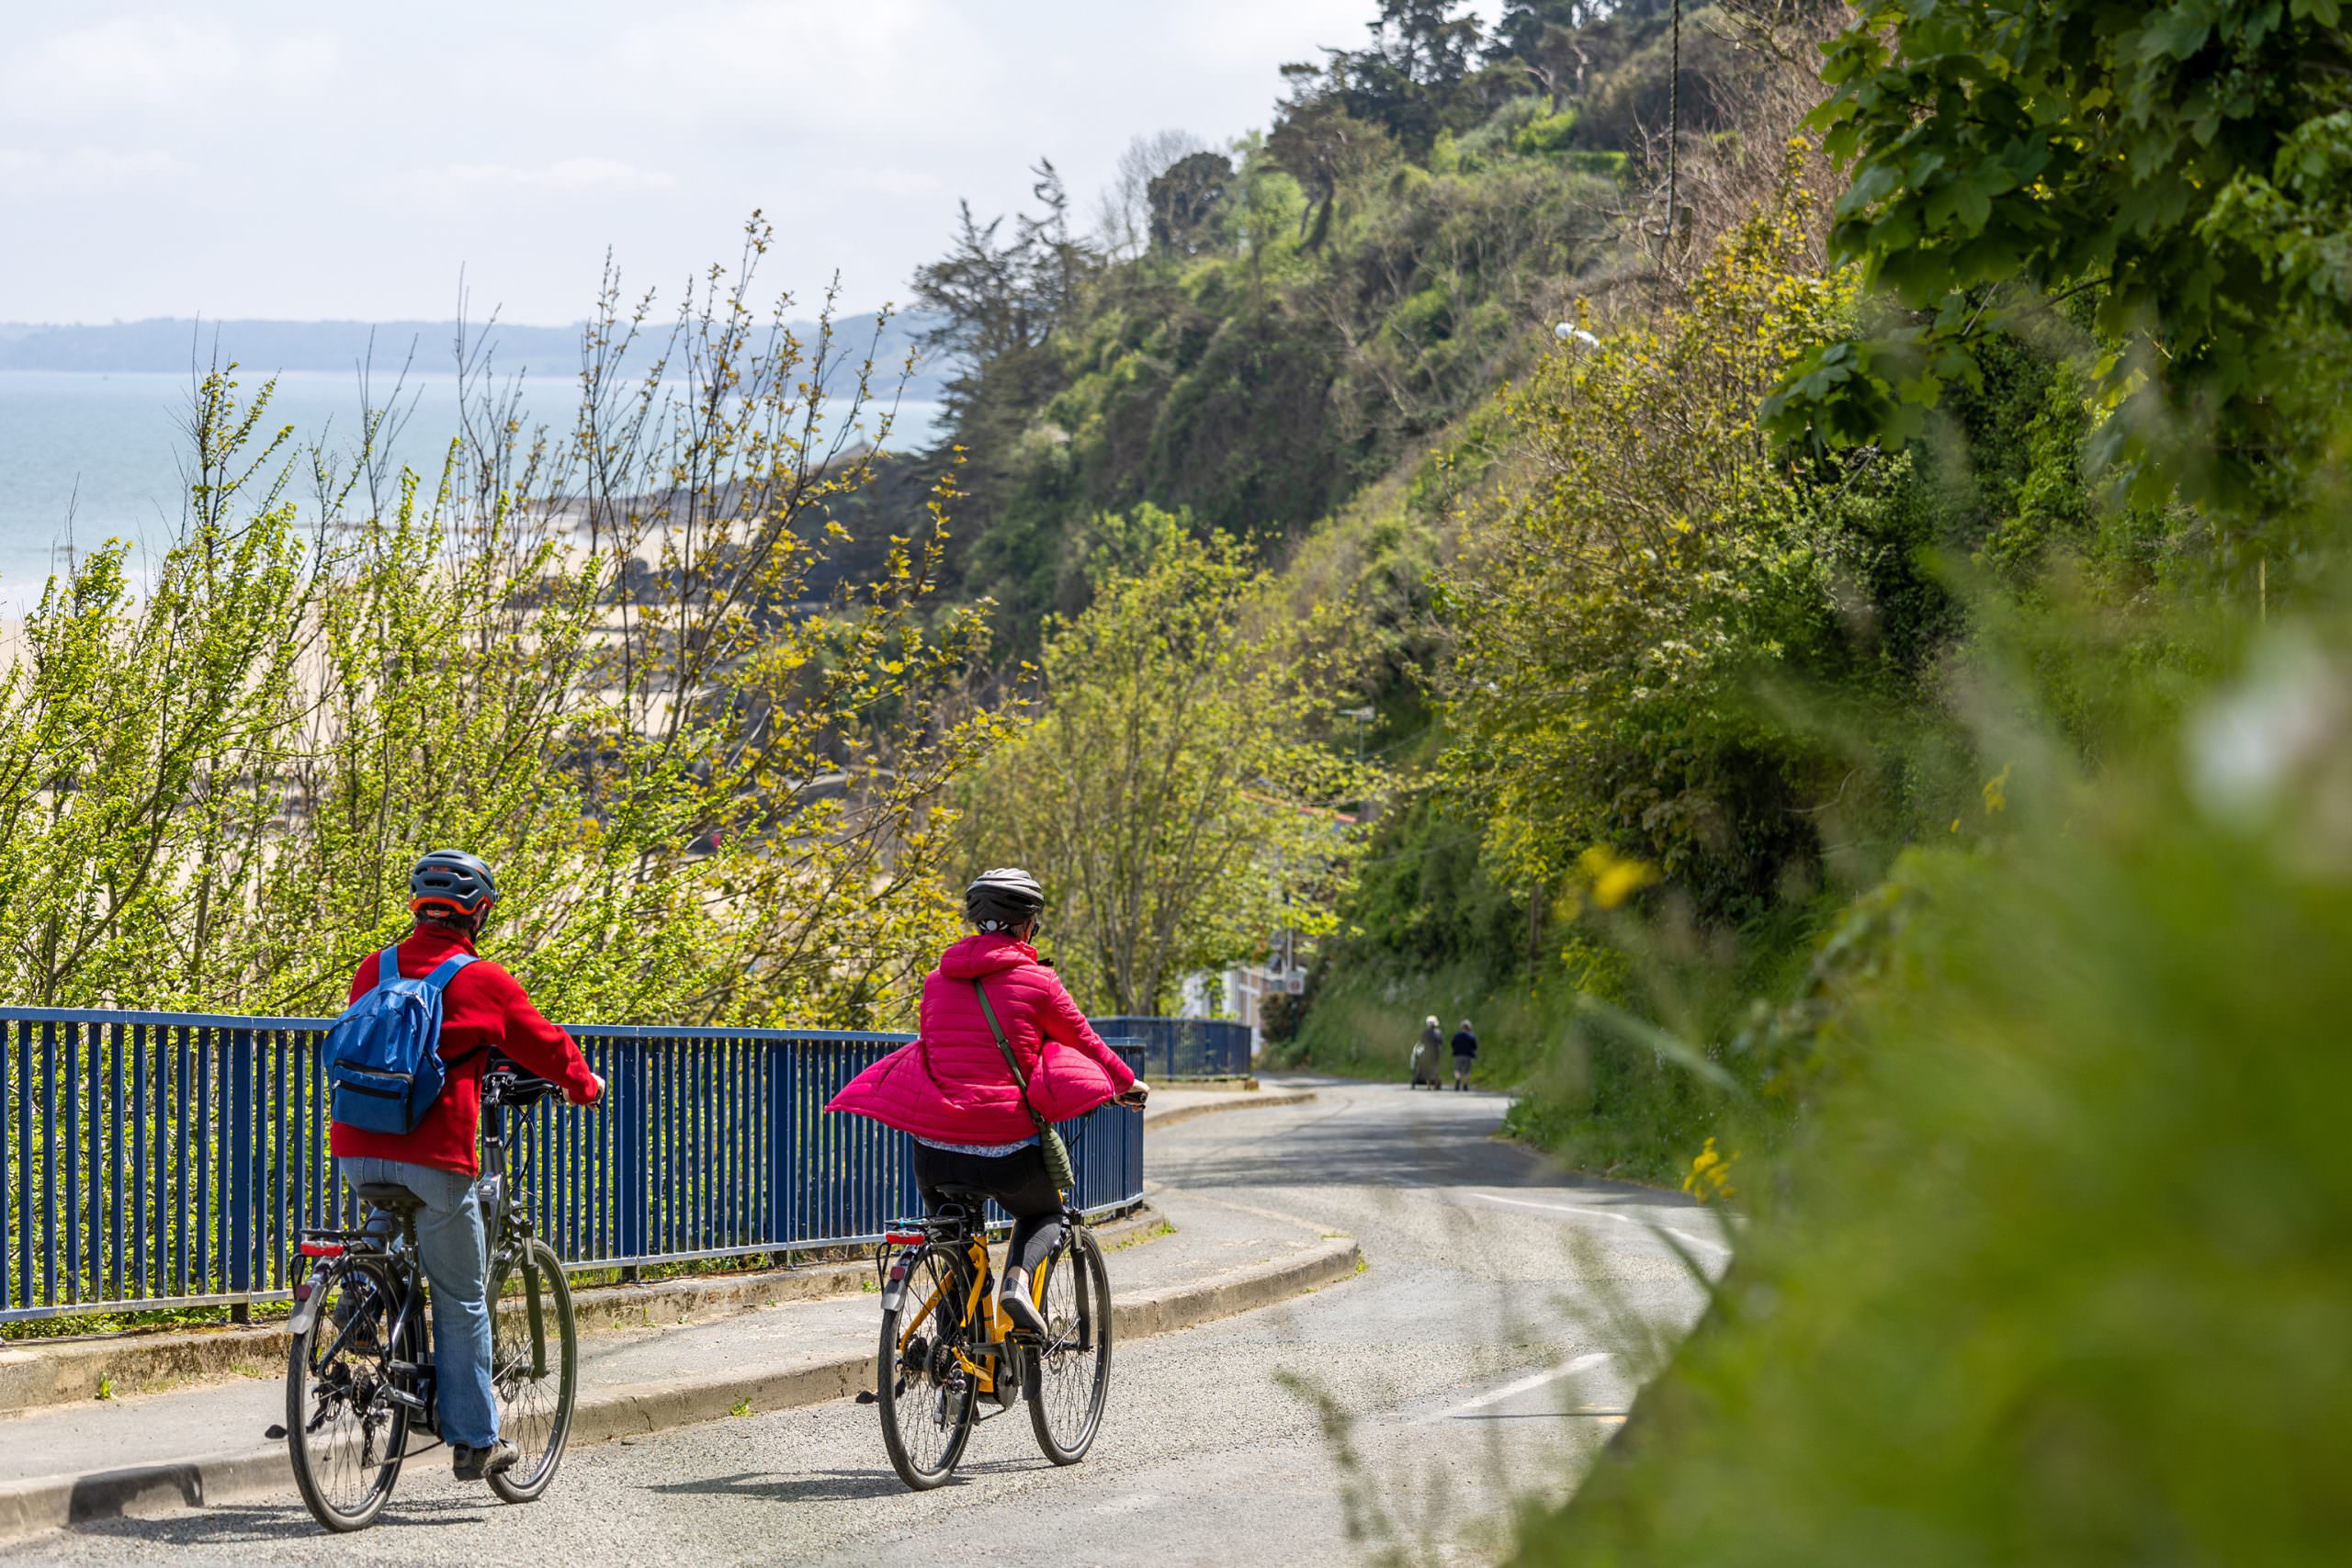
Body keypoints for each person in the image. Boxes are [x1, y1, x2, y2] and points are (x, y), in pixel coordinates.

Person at [329, 850, 605, 1482]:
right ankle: (477, 1441)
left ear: (416, 905)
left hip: (357, 1142)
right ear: (478, 912)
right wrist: (583, 1083)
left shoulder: (376, 967)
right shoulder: (483, 980)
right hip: (436, 1154)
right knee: (461, 1297)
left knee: (391, 1206)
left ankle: (360, 1294)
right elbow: (545, 1043)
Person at [826, 868, 1148, 1334]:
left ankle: (952, 1381)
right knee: (1044, 1214)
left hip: (935, 1150)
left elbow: (935, 1051)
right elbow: (1086, 1043)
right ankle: (1016, 1287)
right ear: (1028, 924)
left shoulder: (937, 981)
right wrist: (1127, 1083)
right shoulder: (1039, 983)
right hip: (1006, 1148)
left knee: (955, 1246)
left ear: (978, 921)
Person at [1413, 1015, 1443, 1089]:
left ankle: (1429, 1085)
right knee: (1435, 1069)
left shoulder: (1425, 1032)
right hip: (1436, 1053)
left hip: (1428, 1052)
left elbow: (1422, 1042)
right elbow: (1441, 1042)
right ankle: (1436, 1084)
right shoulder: (1438, 1032)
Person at [1451, 1018, 1478, 1091]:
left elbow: (1452, 1044)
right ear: (1469, 1028)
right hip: (1468, 1056)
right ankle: (1465, 1085)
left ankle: (1457, 1079)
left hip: (1458, 1055)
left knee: (1457, 1069)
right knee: (1467, 1071)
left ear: (1461, 1027)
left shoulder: (1457, 1036)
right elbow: (1475, 1046)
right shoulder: (1471, 1036)